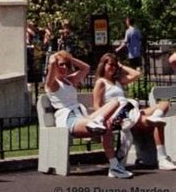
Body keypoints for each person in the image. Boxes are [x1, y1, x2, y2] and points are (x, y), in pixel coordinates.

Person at [45, 50, 132, 179]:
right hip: (69, 120)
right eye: (61, 65)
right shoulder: (52, 84)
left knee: (116, 102)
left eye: (66, 65)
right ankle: (114, 166)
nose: (64, 68)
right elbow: (52, 64)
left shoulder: (70, 80)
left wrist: (70, 58)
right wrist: (54, 59)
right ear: (54, 66)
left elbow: (86, 68)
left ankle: (114, 166)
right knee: (106, 126)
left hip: (82, 117)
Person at [93, 53, 176, 170]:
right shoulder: (101, 82)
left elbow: (137, 74)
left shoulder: (117, 81)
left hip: (130, 111)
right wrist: (106, 118)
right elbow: (96, 105)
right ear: (103, 65)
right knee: (158, 123)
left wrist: (121, 65)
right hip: (119, 116)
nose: (113, 67)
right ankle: (162, 158)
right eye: (110, 65)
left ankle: (155, 118)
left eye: (115, 65)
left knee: (164, 104)